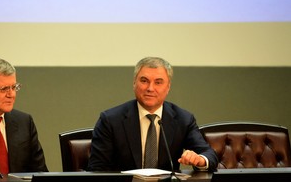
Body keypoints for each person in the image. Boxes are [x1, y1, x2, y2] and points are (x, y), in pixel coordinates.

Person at [87, 56, 218, 172]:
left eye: (158, 82)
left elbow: (208, 154)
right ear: (134, 83)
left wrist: (200, 159)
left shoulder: (183, 119)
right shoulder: (110, 120)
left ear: (168, 87)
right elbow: (97, 169)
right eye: (144, 81)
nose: (150, 88)